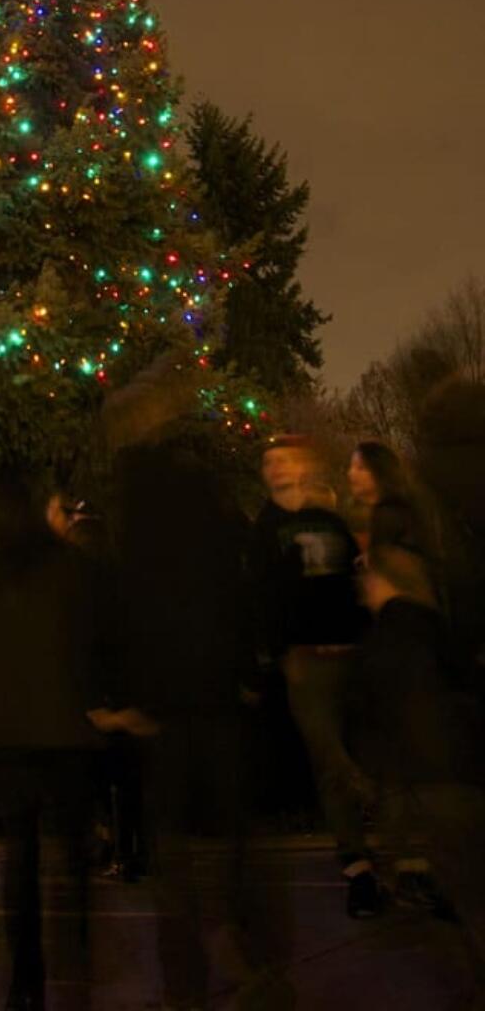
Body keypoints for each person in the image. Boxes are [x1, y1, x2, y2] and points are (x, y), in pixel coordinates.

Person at [110, 429, 293, 1011]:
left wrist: (131, 696)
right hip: (219, 705)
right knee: (234, 849)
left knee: (177, 861)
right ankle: (255, 960)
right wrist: (246, 678)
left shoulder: (139, 544)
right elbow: (247, 606)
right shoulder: (221, 533)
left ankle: (186, 982)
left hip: (164, 713)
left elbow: (126, 623)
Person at [0, 469, 111, 1011]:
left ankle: (25, 981)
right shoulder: (71, 568)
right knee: (71, 859)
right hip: (67, 728)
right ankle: (76, 964)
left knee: (20, 862)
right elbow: (95, 638)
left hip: (10, 731)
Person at [248, 439, 381, 918]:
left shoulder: (329, 523)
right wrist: (274, 653)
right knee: (330, 757)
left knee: (360, 747)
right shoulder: (265, 529)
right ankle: (356, 862)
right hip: (306, 658)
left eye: (284, 459)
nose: (276, 467)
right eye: (268, 462)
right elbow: (262, 596)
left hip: (348, 650)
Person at [360, 541, 485, 995]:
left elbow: (376, 718)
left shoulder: (384, 641)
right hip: (465, 773)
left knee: (465, 899)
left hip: (430, 780)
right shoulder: (443, 631)